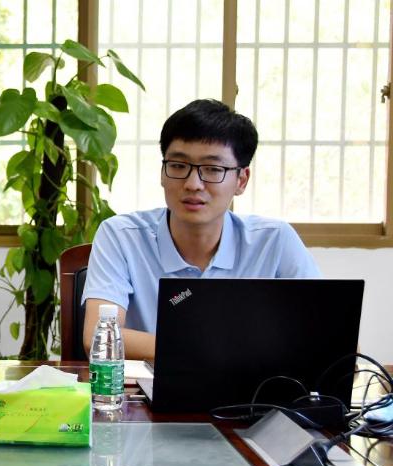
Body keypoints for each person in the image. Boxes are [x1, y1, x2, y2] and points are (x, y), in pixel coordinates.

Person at [81, 99, 320, 360]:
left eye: (213, 169)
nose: (193, 184)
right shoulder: (121, 236)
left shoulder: (275, 241)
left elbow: (326, 334)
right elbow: (98, 336)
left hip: (252, 386)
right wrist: (216, 351)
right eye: (178, 166)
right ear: (162, 173)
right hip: (150, 386)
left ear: (241, 180)